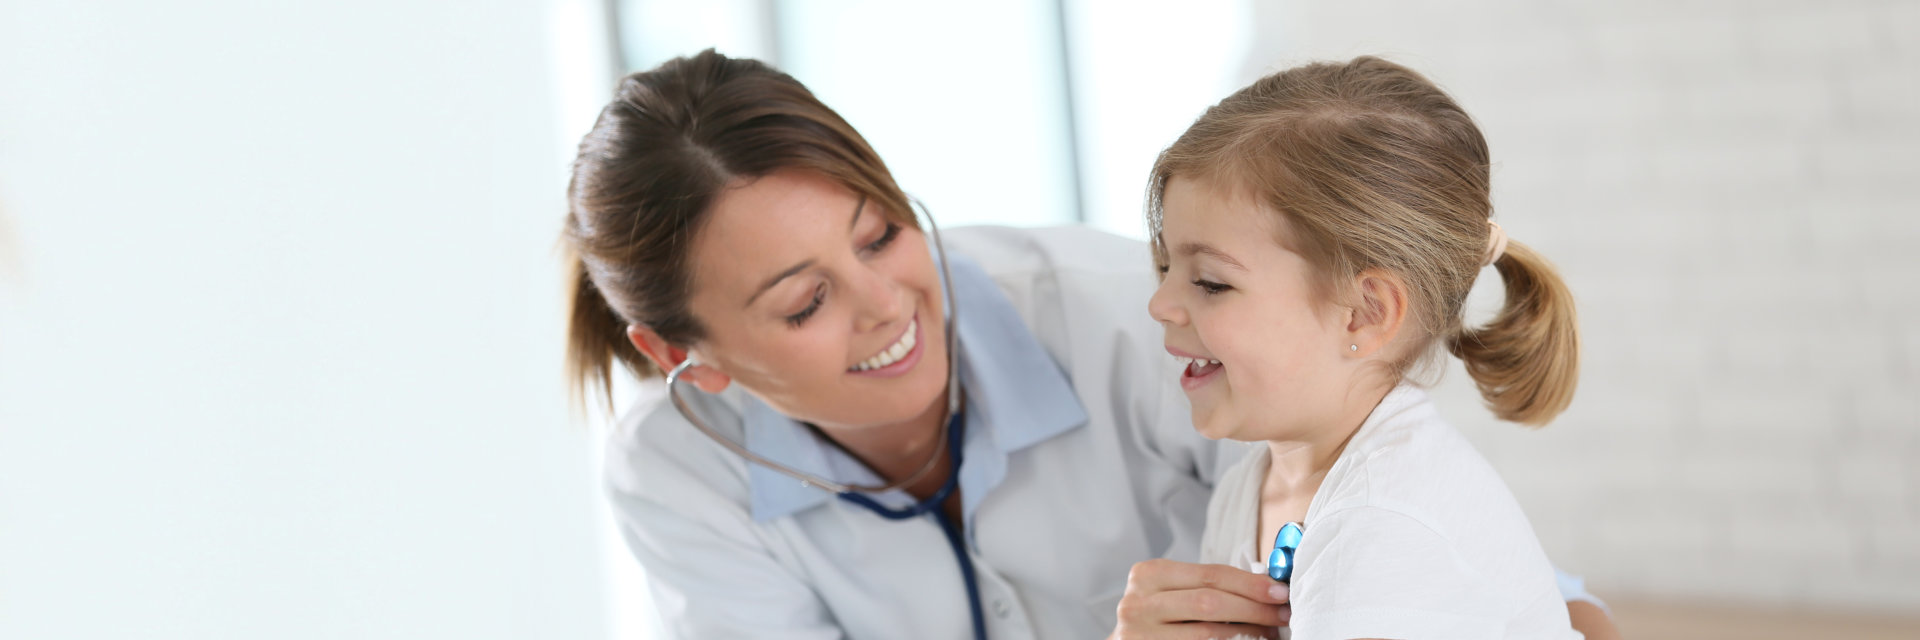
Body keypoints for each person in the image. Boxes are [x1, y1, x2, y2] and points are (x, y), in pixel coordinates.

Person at [564, 49, 1616, 640]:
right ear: (683, 358)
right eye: (804, 304)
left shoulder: (1143, 323)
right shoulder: (676, 472)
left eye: (883, 231)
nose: (888, 304)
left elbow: (1473, 579)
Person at [1134, 56, 1604, 639]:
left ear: (1365, 313)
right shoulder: (1248, 488)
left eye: (1210, 282)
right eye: (1164, 266)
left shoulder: (1382, 524)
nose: (1160, 304)